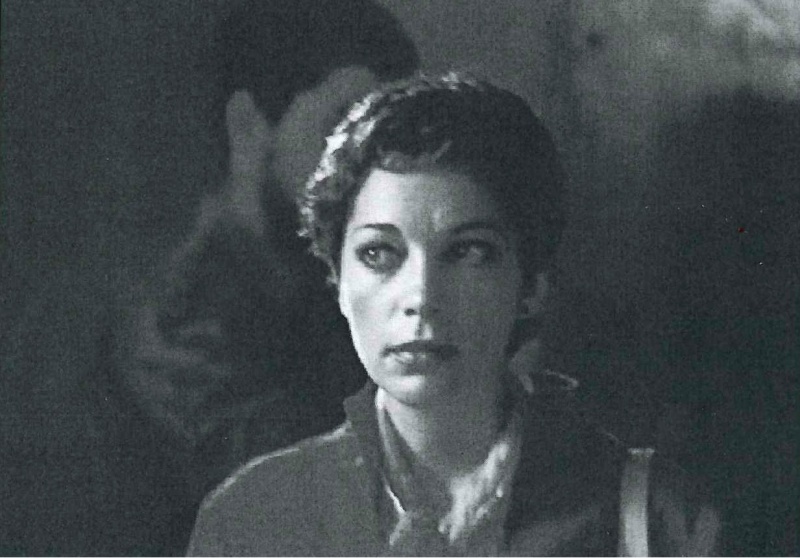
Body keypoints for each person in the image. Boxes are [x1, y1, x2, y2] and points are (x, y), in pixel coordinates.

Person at [186, 73, 722, 556]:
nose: (421, 296)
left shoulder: (658, 521)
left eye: (468, 252)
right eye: (379, 253)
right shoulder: (254, 521)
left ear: (531, 286)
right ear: (340, 283)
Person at [84, 0, 418, 554]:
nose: (377, 179)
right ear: (247, 125)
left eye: (392, 142)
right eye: (344, 132)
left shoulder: (328, 287)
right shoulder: (183, 330)